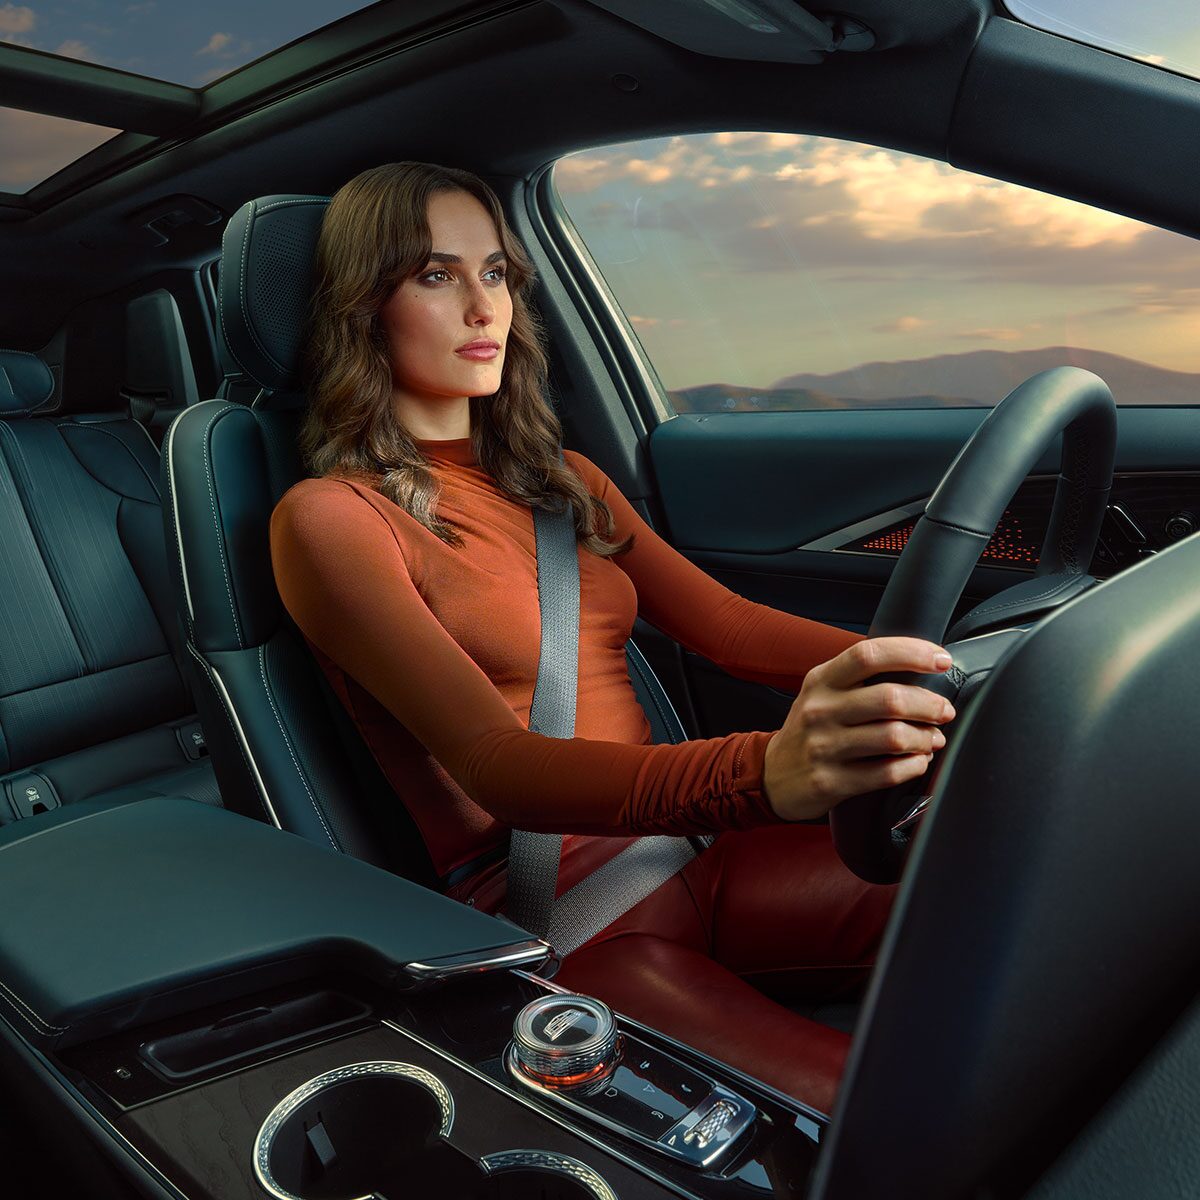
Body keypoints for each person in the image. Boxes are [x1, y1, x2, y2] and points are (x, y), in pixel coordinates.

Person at [269, 161, 956, 1114]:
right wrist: (765, 774)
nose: (482, 307)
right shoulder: (332, 519)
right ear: (363, 306)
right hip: (579, 922)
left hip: (695, 853)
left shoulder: (566, 482)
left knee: (1019, 895)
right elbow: (495, 762)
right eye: (435, 275)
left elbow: (731, 627)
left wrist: (943, 671)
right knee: (894, 1128)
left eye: (497, 273)